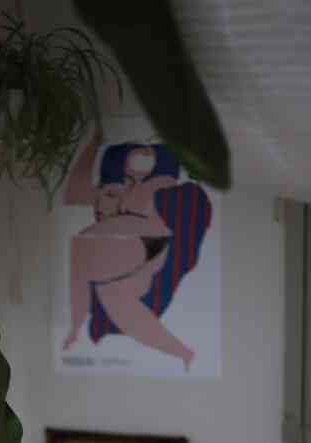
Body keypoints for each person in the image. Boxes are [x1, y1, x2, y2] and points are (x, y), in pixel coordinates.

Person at [62, 135, 212, 368]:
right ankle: (182, 353)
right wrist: (93, 142)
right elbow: (74, 194)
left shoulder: (162, 208)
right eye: (103, 194)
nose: (100, 206)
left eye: (112, 195)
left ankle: (182, 352)